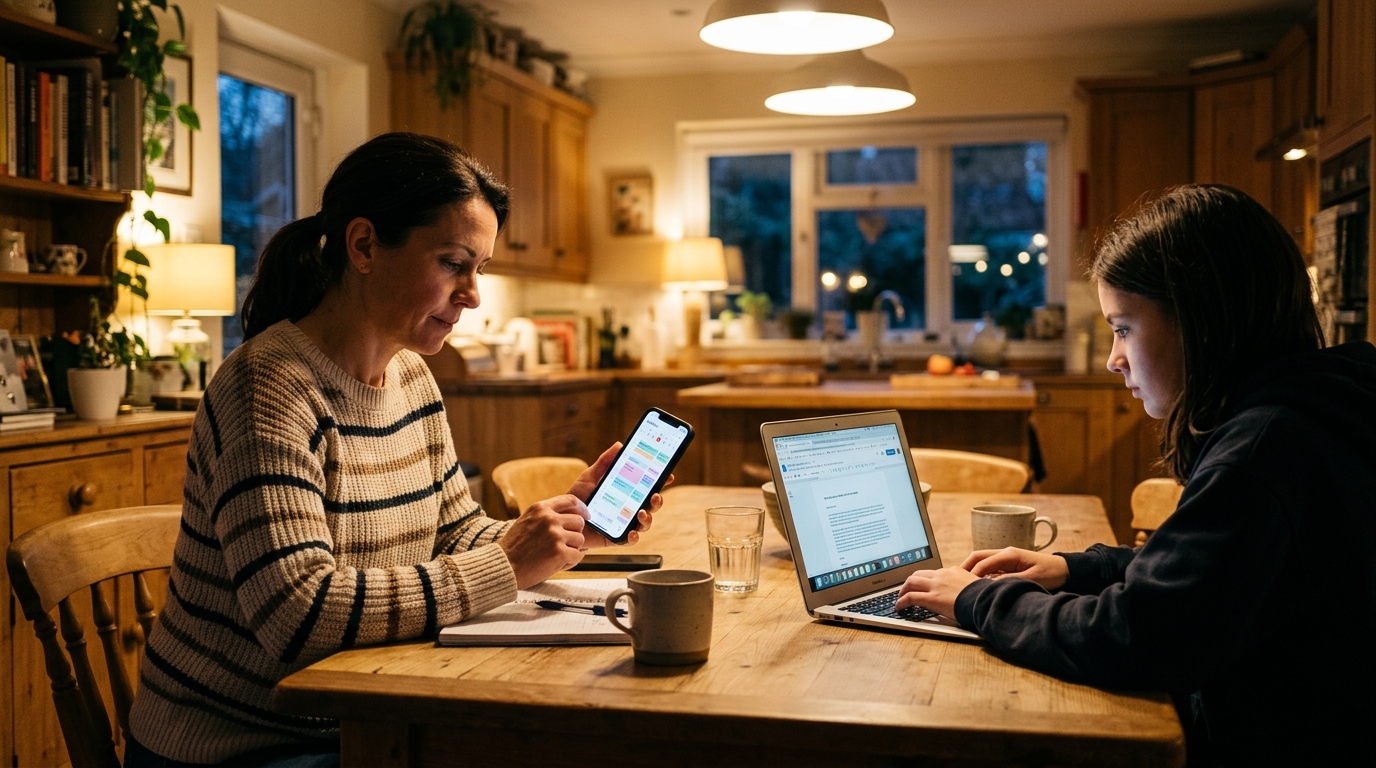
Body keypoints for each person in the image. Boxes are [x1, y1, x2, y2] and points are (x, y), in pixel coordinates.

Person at [126, 132, 663, 767]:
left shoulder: (411, 375)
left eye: (478, 269)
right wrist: (508, 565)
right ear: (364, 246)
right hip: (247, 742)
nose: (473, 294)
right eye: (452, 263)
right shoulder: (266, 389)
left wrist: (558, 528)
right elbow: (298, 617)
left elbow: (453, 532)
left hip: (368, 710)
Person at [897, 185, 1376, 766]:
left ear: (1200, 321)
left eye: (1124, 328)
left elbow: (1138, 637)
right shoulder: (1311, 410)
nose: (1112, 358)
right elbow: (1214, 581)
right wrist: (1077, 568)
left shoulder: (1265, 451)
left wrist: (978, 601)